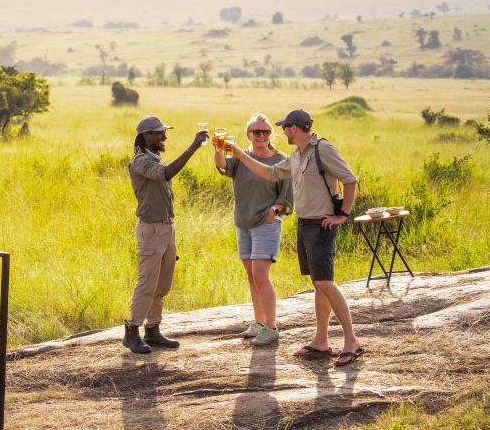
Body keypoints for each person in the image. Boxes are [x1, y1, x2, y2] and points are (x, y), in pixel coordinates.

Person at [227, 109, 364, 367]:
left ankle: (351, 341)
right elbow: (269, 173)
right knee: (318, 284)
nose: (280, 132)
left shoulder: (323, 149)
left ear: (294, 128)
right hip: (305, 225)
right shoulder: (297, 156)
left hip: (322, 226)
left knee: (325, 282)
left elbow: (350, 179)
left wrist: (342, 215)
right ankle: (321, 340)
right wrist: (239, 154)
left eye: (284, 127)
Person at [124, 116, 207, 354]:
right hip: (151, 229)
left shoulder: (154, 157)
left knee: (162, 283)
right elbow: (166, 173)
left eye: (164, 132)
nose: (164, 136)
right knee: (147, 282)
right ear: (145, 136)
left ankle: (153, 329)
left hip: (166, 227)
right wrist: (193, 147)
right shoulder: (140, 161)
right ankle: (132, 331)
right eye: (159, 133)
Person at [214, 113, 293, 347]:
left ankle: (272, 327)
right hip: (243, 223)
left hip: (266, 224)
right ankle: (259, 323)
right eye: (256, 132)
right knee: (251, 277)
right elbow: (222, 165)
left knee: (261, 276)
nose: (261, 135)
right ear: (247, 134)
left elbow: (286, 196)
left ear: (271, 135)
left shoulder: (280, 159)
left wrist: (274, 212)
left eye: (266, 131)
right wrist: (218, 148)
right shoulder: (242, 158)